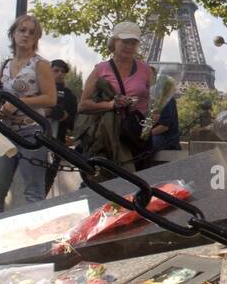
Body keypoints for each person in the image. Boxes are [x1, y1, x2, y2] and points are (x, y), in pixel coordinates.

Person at [0, 15, 57, 211]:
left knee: (33, 191)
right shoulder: (5, 63)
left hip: (31, 130)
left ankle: (37, 237)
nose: (26, 35)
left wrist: (20, 102)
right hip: (5, 131)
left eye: (32, 32)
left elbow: (51, 98)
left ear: (37, 38)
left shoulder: (40, 64)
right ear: (13, 33)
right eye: (22, 30)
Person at [78, 21, 155, 168]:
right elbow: (83, 106)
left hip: (137, 135)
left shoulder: (146, 70)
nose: (129, 47)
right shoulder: (101, 69)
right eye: (125, 42)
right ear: (114, 42)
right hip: (109, 135)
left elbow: (155, 101)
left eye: (133, 43)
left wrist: (154, 114)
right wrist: (111, 105)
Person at [44, 60, 78, 194]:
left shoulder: (69, 95)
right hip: (33, 139)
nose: (60, 74)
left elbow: (74, 123)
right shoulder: (39, 89)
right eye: (56, 70)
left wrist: (63, 115)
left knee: (47, 181)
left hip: (56, 142)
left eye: (63, 72)